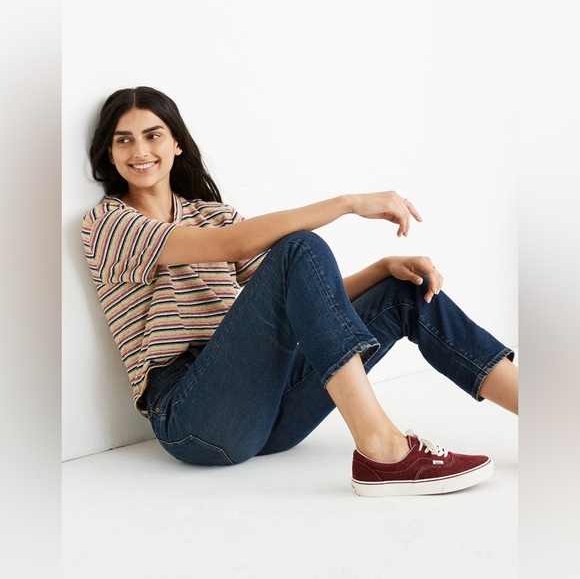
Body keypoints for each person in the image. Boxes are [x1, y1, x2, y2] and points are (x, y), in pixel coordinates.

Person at [83, 86, 518, 497]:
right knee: (299, 247)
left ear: (176, 143)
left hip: (264, 409)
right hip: (193, 417)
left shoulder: (213, 215)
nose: (140, 151)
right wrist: (348, 203)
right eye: (124, 140)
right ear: (109, 152)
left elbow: (309, 297)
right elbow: (232, 246)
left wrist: (382, 269)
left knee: (405, 291)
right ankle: (383, 451)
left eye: (153, 135)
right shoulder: (108, 223)